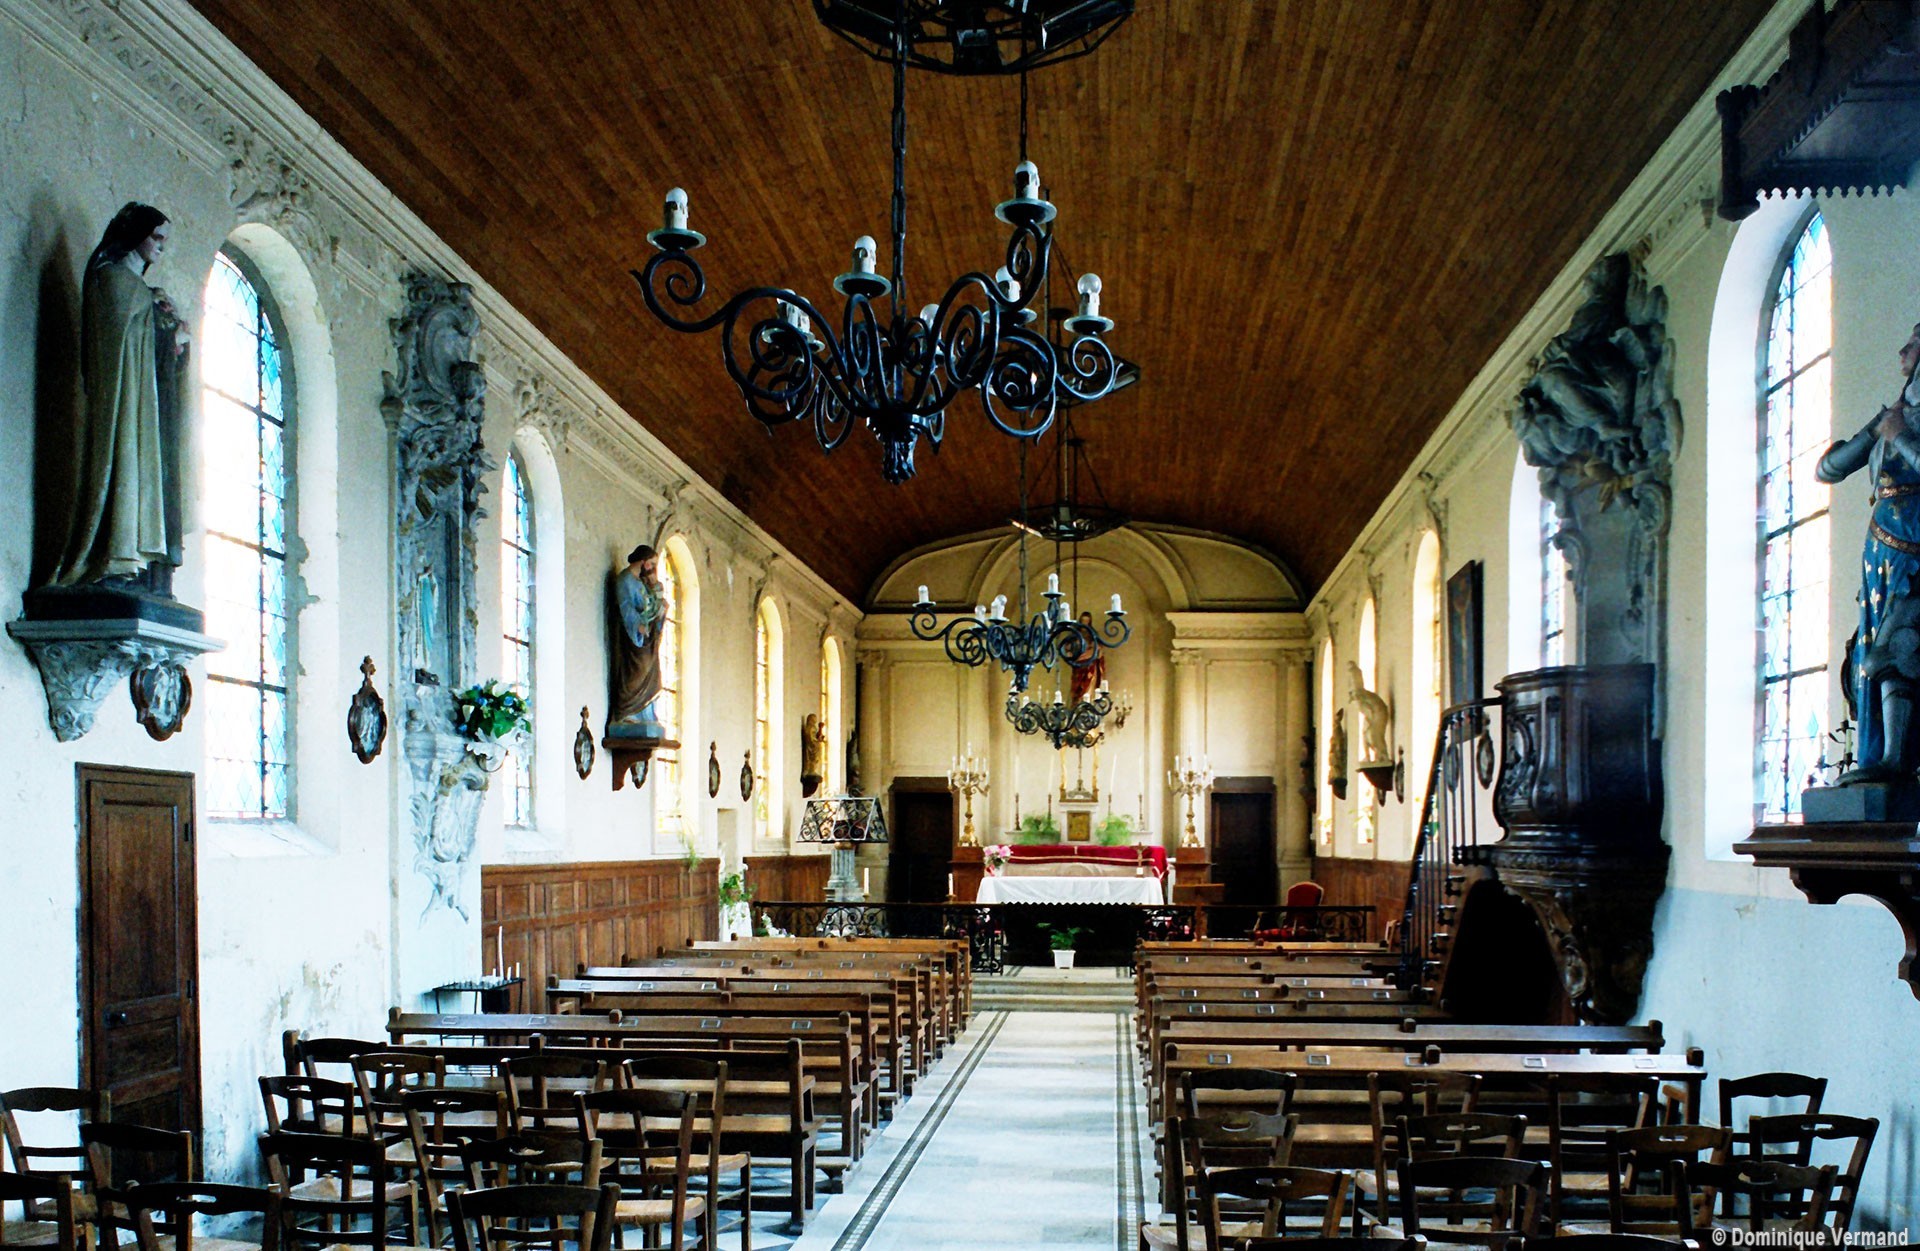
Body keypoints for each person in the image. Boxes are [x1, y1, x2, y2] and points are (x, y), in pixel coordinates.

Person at [53, 202, 191, 588]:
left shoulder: (142, 292)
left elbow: (151, 345)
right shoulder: (112, 280)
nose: (161, 246)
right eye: (156, 237)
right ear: (136, 235)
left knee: (150, 469)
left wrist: (176, 338)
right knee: (123, 464)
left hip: (148, 405)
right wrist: (166, 329)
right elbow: (119, 342)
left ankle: (142, 562)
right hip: (124, 403)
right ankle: (115, 557)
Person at [1818, 323, 1920, 782]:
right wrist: (1877, 428)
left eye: (1915, 341)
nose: (1903, 349)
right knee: (1869, 656)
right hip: (1880, 550)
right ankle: (1879, 756)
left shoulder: (1904, 425)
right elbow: (1829, 469)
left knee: (1895, 649)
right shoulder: (1898, 415)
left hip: (1915, 545)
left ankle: (1897, 761)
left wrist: (1898, 436)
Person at [608, 544, 666, 732]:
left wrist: (655, 586)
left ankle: (645, 714)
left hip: (647, 638)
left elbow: (652, 604)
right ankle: (628, 712)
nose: (652, 568)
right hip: (632, 638)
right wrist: (637, 625)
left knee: (653, 675)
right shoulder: (625, 580)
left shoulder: (641, 583)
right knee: (637, 670)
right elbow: (625, 607)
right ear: (642, 562)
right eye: (651, 564)